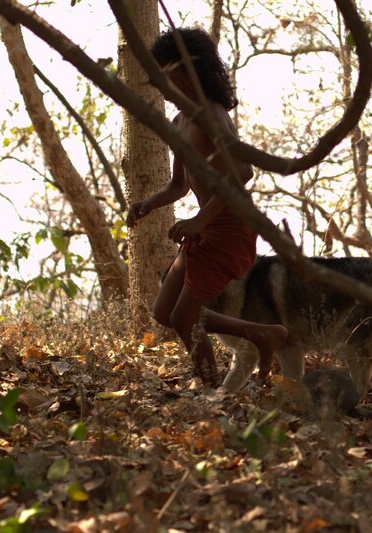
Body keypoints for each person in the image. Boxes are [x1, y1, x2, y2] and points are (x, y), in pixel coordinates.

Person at [127, 27, 287, 388]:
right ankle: (262, 333)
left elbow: (242, 172)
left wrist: (200, 220)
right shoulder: (180, 121)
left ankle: (212, 393)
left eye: (165, 72)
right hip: (207, 227)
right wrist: (148, 203)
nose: (159, 82)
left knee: (184, 318)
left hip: (230, 227)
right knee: (164, 312)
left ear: (189, 71)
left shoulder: (211, 116)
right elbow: (179, 184)